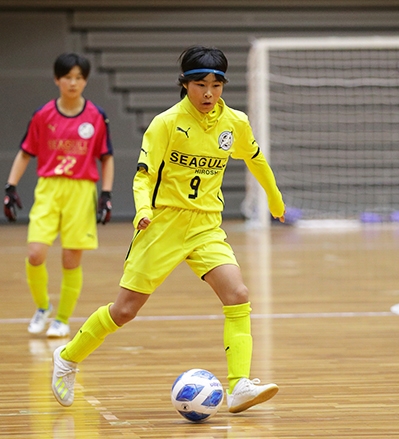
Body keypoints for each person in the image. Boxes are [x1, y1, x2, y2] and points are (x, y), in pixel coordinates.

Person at [50, 45, 285, 414]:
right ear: (185, 84)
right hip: (162, 225)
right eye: (200, 84)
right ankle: (66, 358)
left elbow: (256, 159)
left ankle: (239, 385)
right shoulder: (166, 123)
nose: (209, 93)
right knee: (125, 311)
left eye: (216, 84)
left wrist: (275, 200)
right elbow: (143, 176)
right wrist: (143, 210)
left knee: (237, 294)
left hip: (206, 225)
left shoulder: (234, 122)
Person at [4, 52, 114, 339]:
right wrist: (10, 186)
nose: (73, 83)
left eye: (79, 77)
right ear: (57, 79)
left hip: (81, 190)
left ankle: (62, 319)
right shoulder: (43, 115)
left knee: (70, 258)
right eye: (67, 77)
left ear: (85, 81)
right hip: (50, 188)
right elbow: (26, 152)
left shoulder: (96, 116)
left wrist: (106, 193)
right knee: (35, 253)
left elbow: (106, 157)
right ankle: (43, 307)